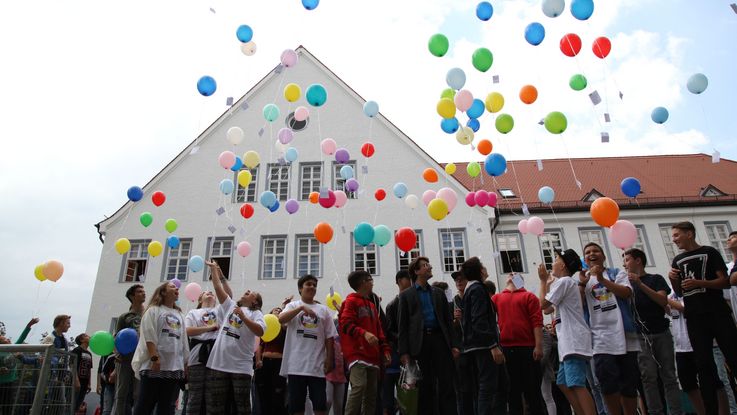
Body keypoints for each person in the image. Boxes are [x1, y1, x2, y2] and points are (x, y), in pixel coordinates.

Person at [668, 221, 737, 415]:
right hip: (695, 318)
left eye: (676, 235)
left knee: (733, 357)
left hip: (717, 313)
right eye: (672, 236)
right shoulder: (677, 260)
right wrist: (673, 279)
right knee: (703, 365)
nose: (674, 240)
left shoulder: (710, 252)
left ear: (689, 234)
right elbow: (680, 293)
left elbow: (725, 282)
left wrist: (700, 282)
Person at [580, 242, 640, 415]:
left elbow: (626, 293)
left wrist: (602, 279)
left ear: (603, 256)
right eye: (588, 252)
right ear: (585, 259)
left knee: (628, 383)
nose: (592, 254)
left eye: (595, 251)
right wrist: (583, 284)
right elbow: (578, 305)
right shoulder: (583, 280)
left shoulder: (616, 273)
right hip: (599, 338)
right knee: (607, 383)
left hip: (624, 333)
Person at [623, 248, 684, 415]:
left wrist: (640, 284)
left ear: (638, 261)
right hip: (640, 335)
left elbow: (662, 300)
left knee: (669, 375)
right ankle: (656, 412)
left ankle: (676, 411)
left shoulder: (655, 279)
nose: (624, 263)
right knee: (648, 377)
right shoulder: (624, 284)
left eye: (627, 259)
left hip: (661, 331)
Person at [397, 256, 458, 415]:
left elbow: (447, 322)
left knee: (446, 383)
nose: (429, 267)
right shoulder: (406, 295)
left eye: (428, 264)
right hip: (419, 343)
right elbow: (402, 325)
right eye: (425, 265)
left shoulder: (438, 293)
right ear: (416, 271)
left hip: (439, 341)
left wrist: (454, 345)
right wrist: (403, 352)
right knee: (424, 386)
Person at [538, 249, 596, 415]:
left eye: (556, 259)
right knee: (563, 382)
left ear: (562, 265)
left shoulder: (564, 282)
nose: (553, 262)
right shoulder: (564, 283)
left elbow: (542, 304)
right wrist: (548, 285)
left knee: (576, 384)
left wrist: (543, 282)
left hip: (573, 340)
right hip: (568, 341)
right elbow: (548, 310)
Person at [204, 260, 265, 415]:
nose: (247, 290)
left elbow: (260, 331)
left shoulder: (257, 314)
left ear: (255, 301)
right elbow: (218, 287)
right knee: (216, 407)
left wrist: (244, 317)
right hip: (218, 363)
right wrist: (214, 270)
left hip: (241, 367)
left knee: (243, 407)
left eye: (251, 292)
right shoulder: (230, 306)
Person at [278, 275, 337, 415]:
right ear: (300, 288)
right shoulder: (292, 306)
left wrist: (329, 359)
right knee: (296, 407)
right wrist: (301, 308)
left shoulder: (323, 310)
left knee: (320, 406)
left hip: (317, 366)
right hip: (295, 366)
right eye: (308, 284)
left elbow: (330, 337)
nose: (312, 287)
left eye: (314, 285)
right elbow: (281, 319)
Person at [131, 281, 189, 415]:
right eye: (172, 286)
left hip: (173, 367)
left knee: (166, 405)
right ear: (163, 292)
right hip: (154, 364)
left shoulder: (179, 314)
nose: (177, 288)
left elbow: (183, 340)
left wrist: (185, 363)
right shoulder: (153, 310)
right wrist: (154, 357)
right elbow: (148, 334)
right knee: (145, 403)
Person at [492, 272, 544, 415]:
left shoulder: (529, 296)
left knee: (532, 391)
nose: (512, 273)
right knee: (512, 392)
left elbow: (537, 322)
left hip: (528, 348)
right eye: (510, 273)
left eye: (516, 274)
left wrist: (538, 345)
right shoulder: (496, 298)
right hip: (507, 350)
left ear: (521, 281)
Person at [340, 270, 391, 415]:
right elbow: (345, 323)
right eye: (370, 280)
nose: (372, 282)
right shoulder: (350, 301)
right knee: (359, 386)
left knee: (371, 395)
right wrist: (364, 333)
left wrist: (385, 350)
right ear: (363, 282)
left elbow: (379, 331)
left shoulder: (373, 306)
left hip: (373, 356)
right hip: (357, 353)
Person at [459, 257, 503, 415]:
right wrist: (492, 345)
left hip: (475, 345)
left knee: (485, 387)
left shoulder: (470, 289)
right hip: (484, 345)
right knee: (487, 387)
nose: (485, 268)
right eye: (482, 266)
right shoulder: (478, 289)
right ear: (479, 271)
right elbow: (479, 320)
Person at [668, 293, 707, 415]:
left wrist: (663, 299)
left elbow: (684, 308)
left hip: (696, 345)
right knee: (688, 385)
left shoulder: (689, 292)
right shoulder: (671, 295)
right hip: (680, 348)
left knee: (709, 382)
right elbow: (669, 312)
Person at [184, 288, 221, 415]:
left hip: (216, 357)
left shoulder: (220, 311)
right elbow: (187, 330)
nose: (210, 293)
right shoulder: (193, 312)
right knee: (195, 396)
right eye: (206, 292)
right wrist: (210, 328)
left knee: (214, 397)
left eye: (212, 293)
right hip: (197, 357)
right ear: (200, 299)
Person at [254, 298, 292, 415]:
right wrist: (258, 360)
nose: (277, 310)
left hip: (279, 364)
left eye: (279, 310)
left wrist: (285, 307)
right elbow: (259, 346)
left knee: (278, 394)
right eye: (275, 310)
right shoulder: (266, 326)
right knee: (263, 394)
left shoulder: (284, 328)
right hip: (264, 363)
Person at [114, 284, 145, 415]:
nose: (143, 293)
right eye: (139, 291)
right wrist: (117, 352)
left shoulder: (149, 314)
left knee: (139, 393)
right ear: (132, 296)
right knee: (122, 392)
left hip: (142, 358)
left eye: (144, 291)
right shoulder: (124, 316)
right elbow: (117, 336)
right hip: (125, 358)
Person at [383, 270, 411, 415]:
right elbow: (389, 330)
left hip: (413, 354)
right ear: (400, 281)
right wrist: (403, 340)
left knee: (409, 395)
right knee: (389, 399)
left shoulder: (415, 301)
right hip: (396, 357)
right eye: (408, 279)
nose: (411, 281)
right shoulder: (393, 304)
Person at [451, 270, 475, 415]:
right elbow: (451, 327)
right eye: (457, 280)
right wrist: (455, 320)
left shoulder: (472, 298)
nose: (459, 282)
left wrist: (464, 317)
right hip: (461, 349)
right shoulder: (453, 301)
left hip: (473, 347)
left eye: (462, 279)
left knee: (475, 386)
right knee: (463, 388)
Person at [72, 333, 93, 411]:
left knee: (78, 404)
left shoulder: (89, 354)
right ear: (82, 340)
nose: (90, 337)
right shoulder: (76, 350)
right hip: (77, 381)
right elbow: (72, 365)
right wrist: (76, 380)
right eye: (87, 336)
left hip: (85, 382)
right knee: (72, 403)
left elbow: (89, 369)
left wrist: (89, 384)